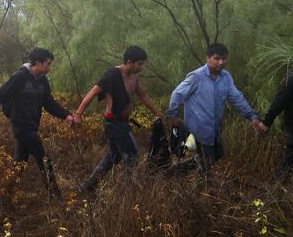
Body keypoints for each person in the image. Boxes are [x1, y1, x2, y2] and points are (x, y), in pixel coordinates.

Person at [0, 48, 74, 201]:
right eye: (48, 64)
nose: (50, 67)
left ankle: (4, 197)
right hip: (21, 126)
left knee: (19, 164)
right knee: (44, 160)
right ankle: (57, 199)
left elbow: (49, 103)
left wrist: (66, 114)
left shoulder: (43, 81)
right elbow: (1, 94)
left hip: (31, 126)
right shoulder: (20, 77)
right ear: (38, 63)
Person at [73, 46, 162, 194]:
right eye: (140, 64)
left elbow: (143, 95)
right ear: (129, 62)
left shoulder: (134, 77)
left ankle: (88, 186)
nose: (142, 67)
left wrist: (157, 113)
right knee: (132, 155)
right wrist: (78, 114)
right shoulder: (113, 75)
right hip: (113, 123)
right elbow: (93, 92)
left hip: (122, 123)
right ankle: (128, 194)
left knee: (114, 156)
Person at [166, 43, 267, 172]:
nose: (221, 62)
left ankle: (180, 169)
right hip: (197, 128)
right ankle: (201, 188)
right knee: (208, 162)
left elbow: (237, 98)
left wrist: (252, 116)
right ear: (208, 58)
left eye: (224, 58)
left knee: (218, 154)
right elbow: (177, 94)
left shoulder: (226, 77)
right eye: (217, 58)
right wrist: (172, 117)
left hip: (214, 128)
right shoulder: (196, 77)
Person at [263, 70, 293, 181]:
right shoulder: (291, 79)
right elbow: (280, 101)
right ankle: (274, 188)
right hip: (292, 127)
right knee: (290, 159)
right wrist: (267, 122)